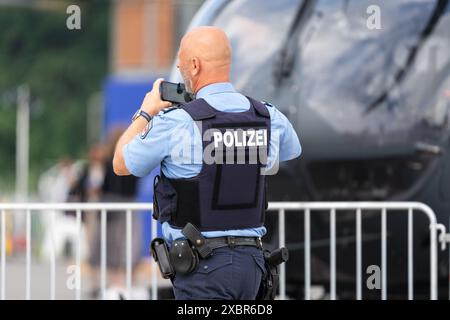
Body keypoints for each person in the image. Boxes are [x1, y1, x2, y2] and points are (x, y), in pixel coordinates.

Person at [113, 26, 301, 300]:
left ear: (195, 66)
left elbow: (121, 162)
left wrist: (146, 111)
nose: (180, 72)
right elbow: (292, 150)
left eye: (180, 65)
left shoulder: (177, 122)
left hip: (202, 268)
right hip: (253, 266)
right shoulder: (267, 116)